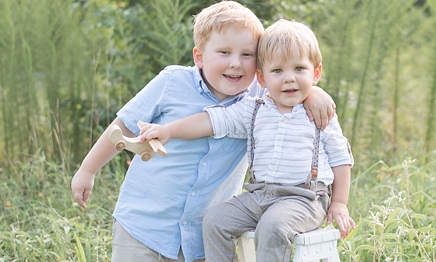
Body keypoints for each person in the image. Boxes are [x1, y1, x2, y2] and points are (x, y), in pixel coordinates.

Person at [70, 1, 337, 262]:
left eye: (247, 55)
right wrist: (87, 170)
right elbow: (123, 125)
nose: (236, 63)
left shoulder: (260, 98)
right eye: (224, 53)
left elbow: (291, 81)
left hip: (200, 238)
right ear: (199, 57)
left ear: (259, 68)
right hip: (144, 227)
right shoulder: (172, 82)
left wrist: (314, 93)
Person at [139, 19, 355, 261]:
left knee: (272, 225)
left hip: (306, 199)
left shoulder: (319, 114)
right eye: (277, 71)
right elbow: (210, 121)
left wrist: (339, 202)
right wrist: (168, 131)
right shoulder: (253, 109)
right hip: (259, 195)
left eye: (299, 69)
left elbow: (340, 158)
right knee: (214, 220)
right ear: (261, 79)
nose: (289, 78)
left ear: (315, 73)